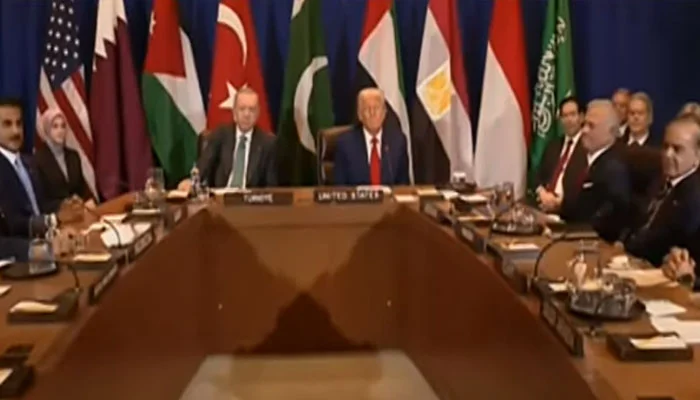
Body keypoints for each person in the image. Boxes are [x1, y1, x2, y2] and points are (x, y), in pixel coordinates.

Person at [623, 115, 700, 266]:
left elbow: (664, 244)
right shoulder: (660, 181)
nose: (667, 154)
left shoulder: (694, 195)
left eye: (677, 149)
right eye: (665, 147)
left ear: (697, 155)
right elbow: (638, 221)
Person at [0, 98, 83, 237]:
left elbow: (40, 205)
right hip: (23, 248)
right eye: (7, 124)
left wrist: (64, 205)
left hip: (49, 239)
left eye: (19, 123)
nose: (16, 131)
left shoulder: (28, 162)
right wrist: (54, 219)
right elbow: (12, 225)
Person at [560, 99, 631, 241]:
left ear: (611, 131)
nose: (584, 130)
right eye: (584, 124)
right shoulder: (586, 159)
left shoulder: (614, 167)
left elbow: (608, 221)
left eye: (591, 126)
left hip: (590, 241)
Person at [178, 88, 276, 190]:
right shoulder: (220, 135)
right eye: (242, 109)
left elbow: (271, 186)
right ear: (234, 112)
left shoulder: (267, 143)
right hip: (222, 196)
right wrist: (191, 182)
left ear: (258, 113)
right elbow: (204, 164)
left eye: (252, 109)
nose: (246, 114)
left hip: (250, 198)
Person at [333, 88, 410, 186]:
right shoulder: (345, 145)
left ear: (384, 113)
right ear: (360, 115)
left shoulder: (398, 142)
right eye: (367, 109)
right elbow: (340, 188)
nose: (372, 113)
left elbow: (403, 186)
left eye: (376, 108)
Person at [535, 97, 587, 213]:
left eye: (572, 115)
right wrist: (542, 193)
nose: (568, 120)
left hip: (569, 212)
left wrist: (559, 202)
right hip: (543, 205)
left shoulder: (587, 147)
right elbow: (539, 177)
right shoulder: (553, 145)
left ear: (581, 117)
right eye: (564, 116)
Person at [34, 108, 95, 207]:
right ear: (47, 129)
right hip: (56, 214)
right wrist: (65, 205)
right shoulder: (38, 160)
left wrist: (86, 200)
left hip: (78, 210)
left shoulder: (73, 156)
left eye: (63, 126)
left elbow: (81, 190)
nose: (60, 131)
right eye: (55, 126)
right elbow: (41, 200)